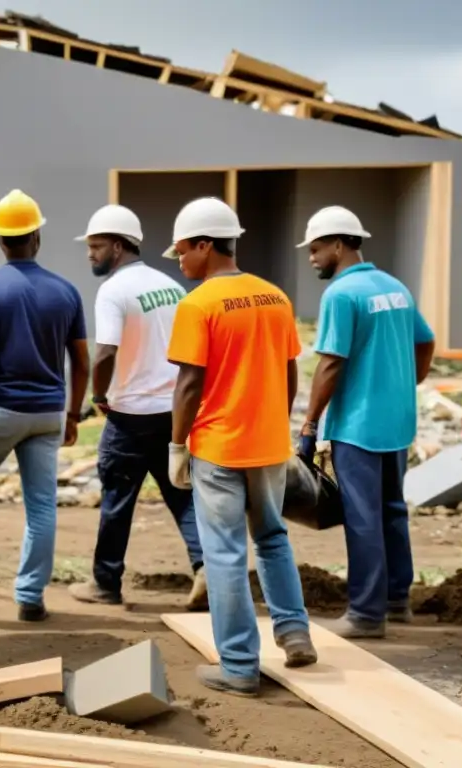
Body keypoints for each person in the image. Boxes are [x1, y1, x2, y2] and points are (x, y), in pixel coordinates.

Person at [165, 196, 317, 698]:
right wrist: (276, 420)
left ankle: (238, 666)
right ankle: (294, 634)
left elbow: (189, 384)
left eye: (183, 251)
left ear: (206, 245)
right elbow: (290, 370)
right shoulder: (275, 297)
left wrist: (177, 444)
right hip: (269, 444)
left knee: (225, 553)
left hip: (219, 446)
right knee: (272, 537)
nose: (181, 261)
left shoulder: (198, 305)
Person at [0, 189, 90, 624]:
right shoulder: (66, 292)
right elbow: (80, 361)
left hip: (3, 406)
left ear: (1, 241)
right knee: (41, 504)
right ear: (36, 236)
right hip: (48, 413)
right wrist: (73, 414)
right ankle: (29, 597)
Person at [296, 206, 436, 639]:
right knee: (392, 510)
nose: (312, 258)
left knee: (362, 516)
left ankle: (365, 613)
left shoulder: (341, 294)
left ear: (339, 244)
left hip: (357, 424)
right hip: (396, 423)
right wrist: (403, 384)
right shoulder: (395, 287)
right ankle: (397, 600)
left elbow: (331, 365)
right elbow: (426, 342)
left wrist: (309, 424)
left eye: (317, 249)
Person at [66, 204, 206, 610]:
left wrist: (98, 397)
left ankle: (106, 584)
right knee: (182, 494)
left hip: (130, 416)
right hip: (173, 411)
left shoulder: (114, 290)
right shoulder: (172, 285)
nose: (91, 254)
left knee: (117, 500)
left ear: (118, 244)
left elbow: (104, 353)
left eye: (95, 246)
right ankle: (205, 568)